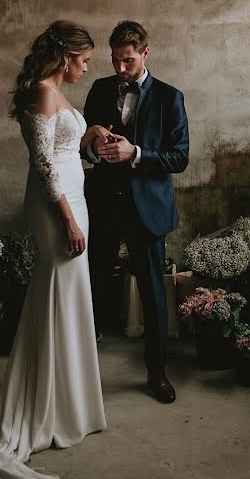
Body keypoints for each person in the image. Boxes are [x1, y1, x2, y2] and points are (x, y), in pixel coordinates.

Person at [0, 20, 111, 479]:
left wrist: (89, 133)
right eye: (84, 62)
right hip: (58, 212)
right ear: (65, 57)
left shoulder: (54, 93)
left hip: (72, 204)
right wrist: (69, 220)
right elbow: (43, 165)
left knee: (70, 298)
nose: (86, 70)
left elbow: (64, 148)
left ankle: (67, 403)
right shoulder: (41, 91)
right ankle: (46, 405)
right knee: (54, 294)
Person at [83, 20, 190, 404]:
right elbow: (84, 145)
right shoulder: (98, 90)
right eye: (114, 60)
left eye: (127, 60)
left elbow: (180, 157)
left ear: (145, 53)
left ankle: (156, 372)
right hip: (102, 205)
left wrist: (136, 154)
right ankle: (81, 372)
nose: (119, 69)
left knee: (153, 295)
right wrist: (98, 149)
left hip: (146, 209)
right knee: (90, 287)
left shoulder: (169, 97)